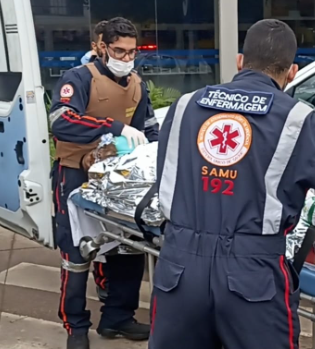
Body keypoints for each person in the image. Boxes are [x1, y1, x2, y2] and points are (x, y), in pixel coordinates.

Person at [150, 19, 315, 349]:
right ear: (292, 72)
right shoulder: (300, 121)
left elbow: (170, 179)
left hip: (178, 271)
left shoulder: (184, 106)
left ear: (239, 62)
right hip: (250, 279)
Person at [50, 17, 158, 349]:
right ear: (102, 47)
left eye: (131, 52)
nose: (126, 59)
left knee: (127, 246)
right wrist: (113, 127)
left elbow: (150, 129)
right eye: (118, 51)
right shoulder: (79, 79)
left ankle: (117, 317)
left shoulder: (137, 85)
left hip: (116, 176)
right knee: (78, 251)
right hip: (75, 173)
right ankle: (76, 326)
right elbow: (61, 120)